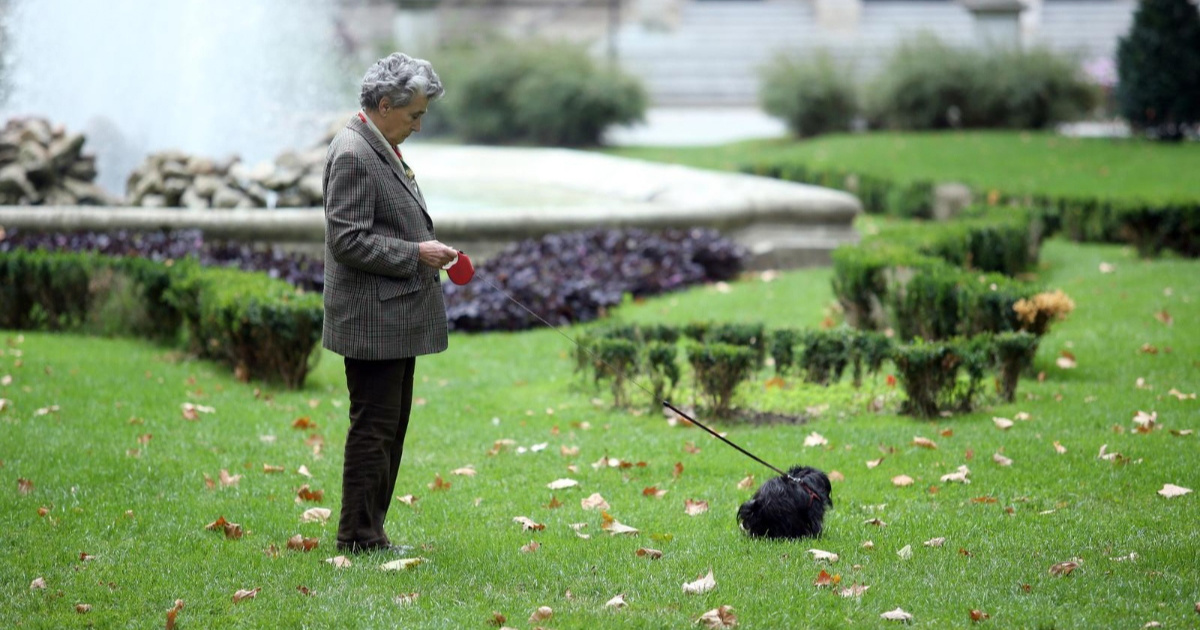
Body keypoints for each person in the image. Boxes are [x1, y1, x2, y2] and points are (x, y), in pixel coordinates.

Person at [322, 52, 459, 554]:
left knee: (388, 427)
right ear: (384, 105)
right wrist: (416, 252)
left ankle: (370, 532)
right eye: (414, 115)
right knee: (374, 428)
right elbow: (348, 240)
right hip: (371, 320)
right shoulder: (355, 153)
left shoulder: (377, 143)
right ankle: (357, 536)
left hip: (391, 316)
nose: (419, 126)